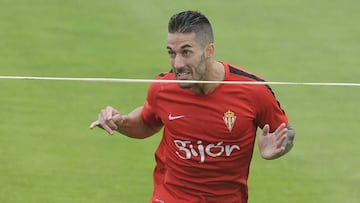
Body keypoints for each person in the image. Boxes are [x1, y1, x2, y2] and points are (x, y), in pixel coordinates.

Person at [89, 10, 295, 203]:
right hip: (169, 196)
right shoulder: (163, 88)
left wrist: (279, 147)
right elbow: (147, 122)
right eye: (171, 53)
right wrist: (121, 122)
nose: (177, 63)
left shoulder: (253, 90)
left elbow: (284, 131)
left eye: (186, 52)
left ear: (209, 51)